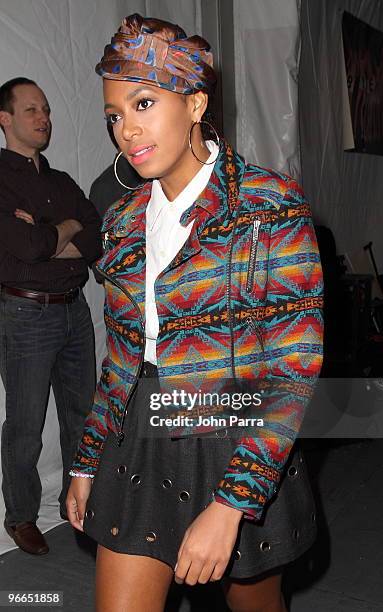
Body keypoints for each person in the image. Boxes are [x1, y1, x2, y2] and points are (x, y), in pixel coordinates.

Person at [67, 15, 323, 612]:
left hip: (236, 436)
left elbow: (293, 371)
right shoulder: (123, 221)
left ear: (196, 103)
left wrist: (232, 503)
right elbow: (123, 359)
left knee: (254, 604)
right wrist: (86, 461)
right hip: (141, 438)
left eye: (144, 103)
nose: (127, 130)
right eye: (114, 116)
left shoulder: (269, 207)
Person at [0, 77, 102, 555]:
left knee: (83, 415)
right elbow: (26, 247)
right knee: (25, 425)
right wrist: (59, 233)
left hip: (75, 314)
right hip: (26, 315)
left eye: (46, 109)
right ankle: (20, 516)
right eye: (30, 110)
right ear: (5, 120)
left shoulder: (61, 182)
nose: (43, 118)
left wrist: (49, 236)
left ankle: (75, 504)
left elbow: (95, 242)